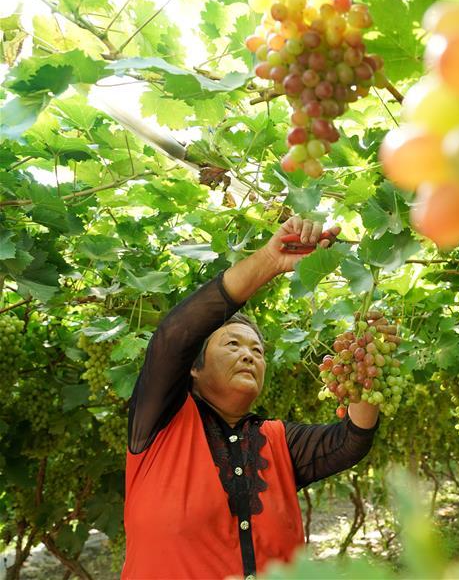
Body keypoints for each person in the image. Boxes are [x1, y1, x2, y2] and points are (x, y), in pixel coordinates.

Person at [121, 216, 380, 580]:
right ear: (193, 368)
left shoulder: (276, 441)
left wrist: (366, 370)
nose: (249, 356)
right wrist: (270, 262)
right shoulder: (160, 424)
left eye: (257, 351)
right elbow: (175, 335)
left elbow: (351, 440)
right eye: (233, 344)